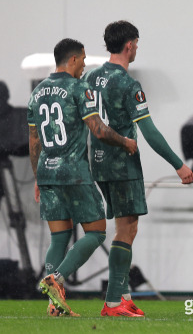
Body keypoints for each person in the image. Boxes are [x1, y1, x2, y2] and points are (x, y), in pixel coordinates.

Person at [83, 21, 193, 317]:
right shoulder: (128, 84)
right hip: (122, 163)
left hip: (98, 162)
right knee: (127, 228)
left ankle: (124, 295)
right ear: (130, 45)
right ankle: (112, 302)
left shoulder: (91, 77)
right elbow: (149, 131)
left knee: (124, 227)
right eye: (137, 43)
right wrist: (178, 164)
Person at [28, 38, 137, 317]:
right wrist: (124, 142)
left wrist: (37, 176)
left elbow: (33, 141)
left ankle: (55, 305)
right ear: (73, 59)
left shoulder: (38, 92)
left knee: (59, 237)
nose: (85, 64)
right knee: (97, 231)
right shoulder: (79, 88)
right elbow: (98, 130)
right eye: (84, 59)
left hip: (46, 170)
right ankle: (57, 278)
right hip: (74, 172)